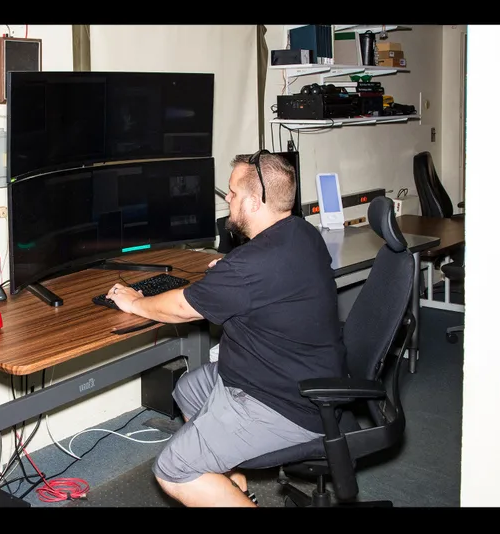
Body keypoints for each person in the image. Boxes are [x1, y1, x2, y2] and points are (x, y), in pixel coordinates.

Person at [105, 151, 345, 507]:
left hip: (285, 403)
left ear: (253, 201)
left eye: (232, 194)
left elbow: (184, 309)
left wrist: (135, 303)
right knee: (188, 390)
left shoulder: (252, 266)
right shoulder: (300, 232)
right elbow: (268, 276)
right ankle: (235, 491)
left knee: (173, 469)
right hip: (284, 374)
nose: (227, 201)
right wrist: (232, 267)